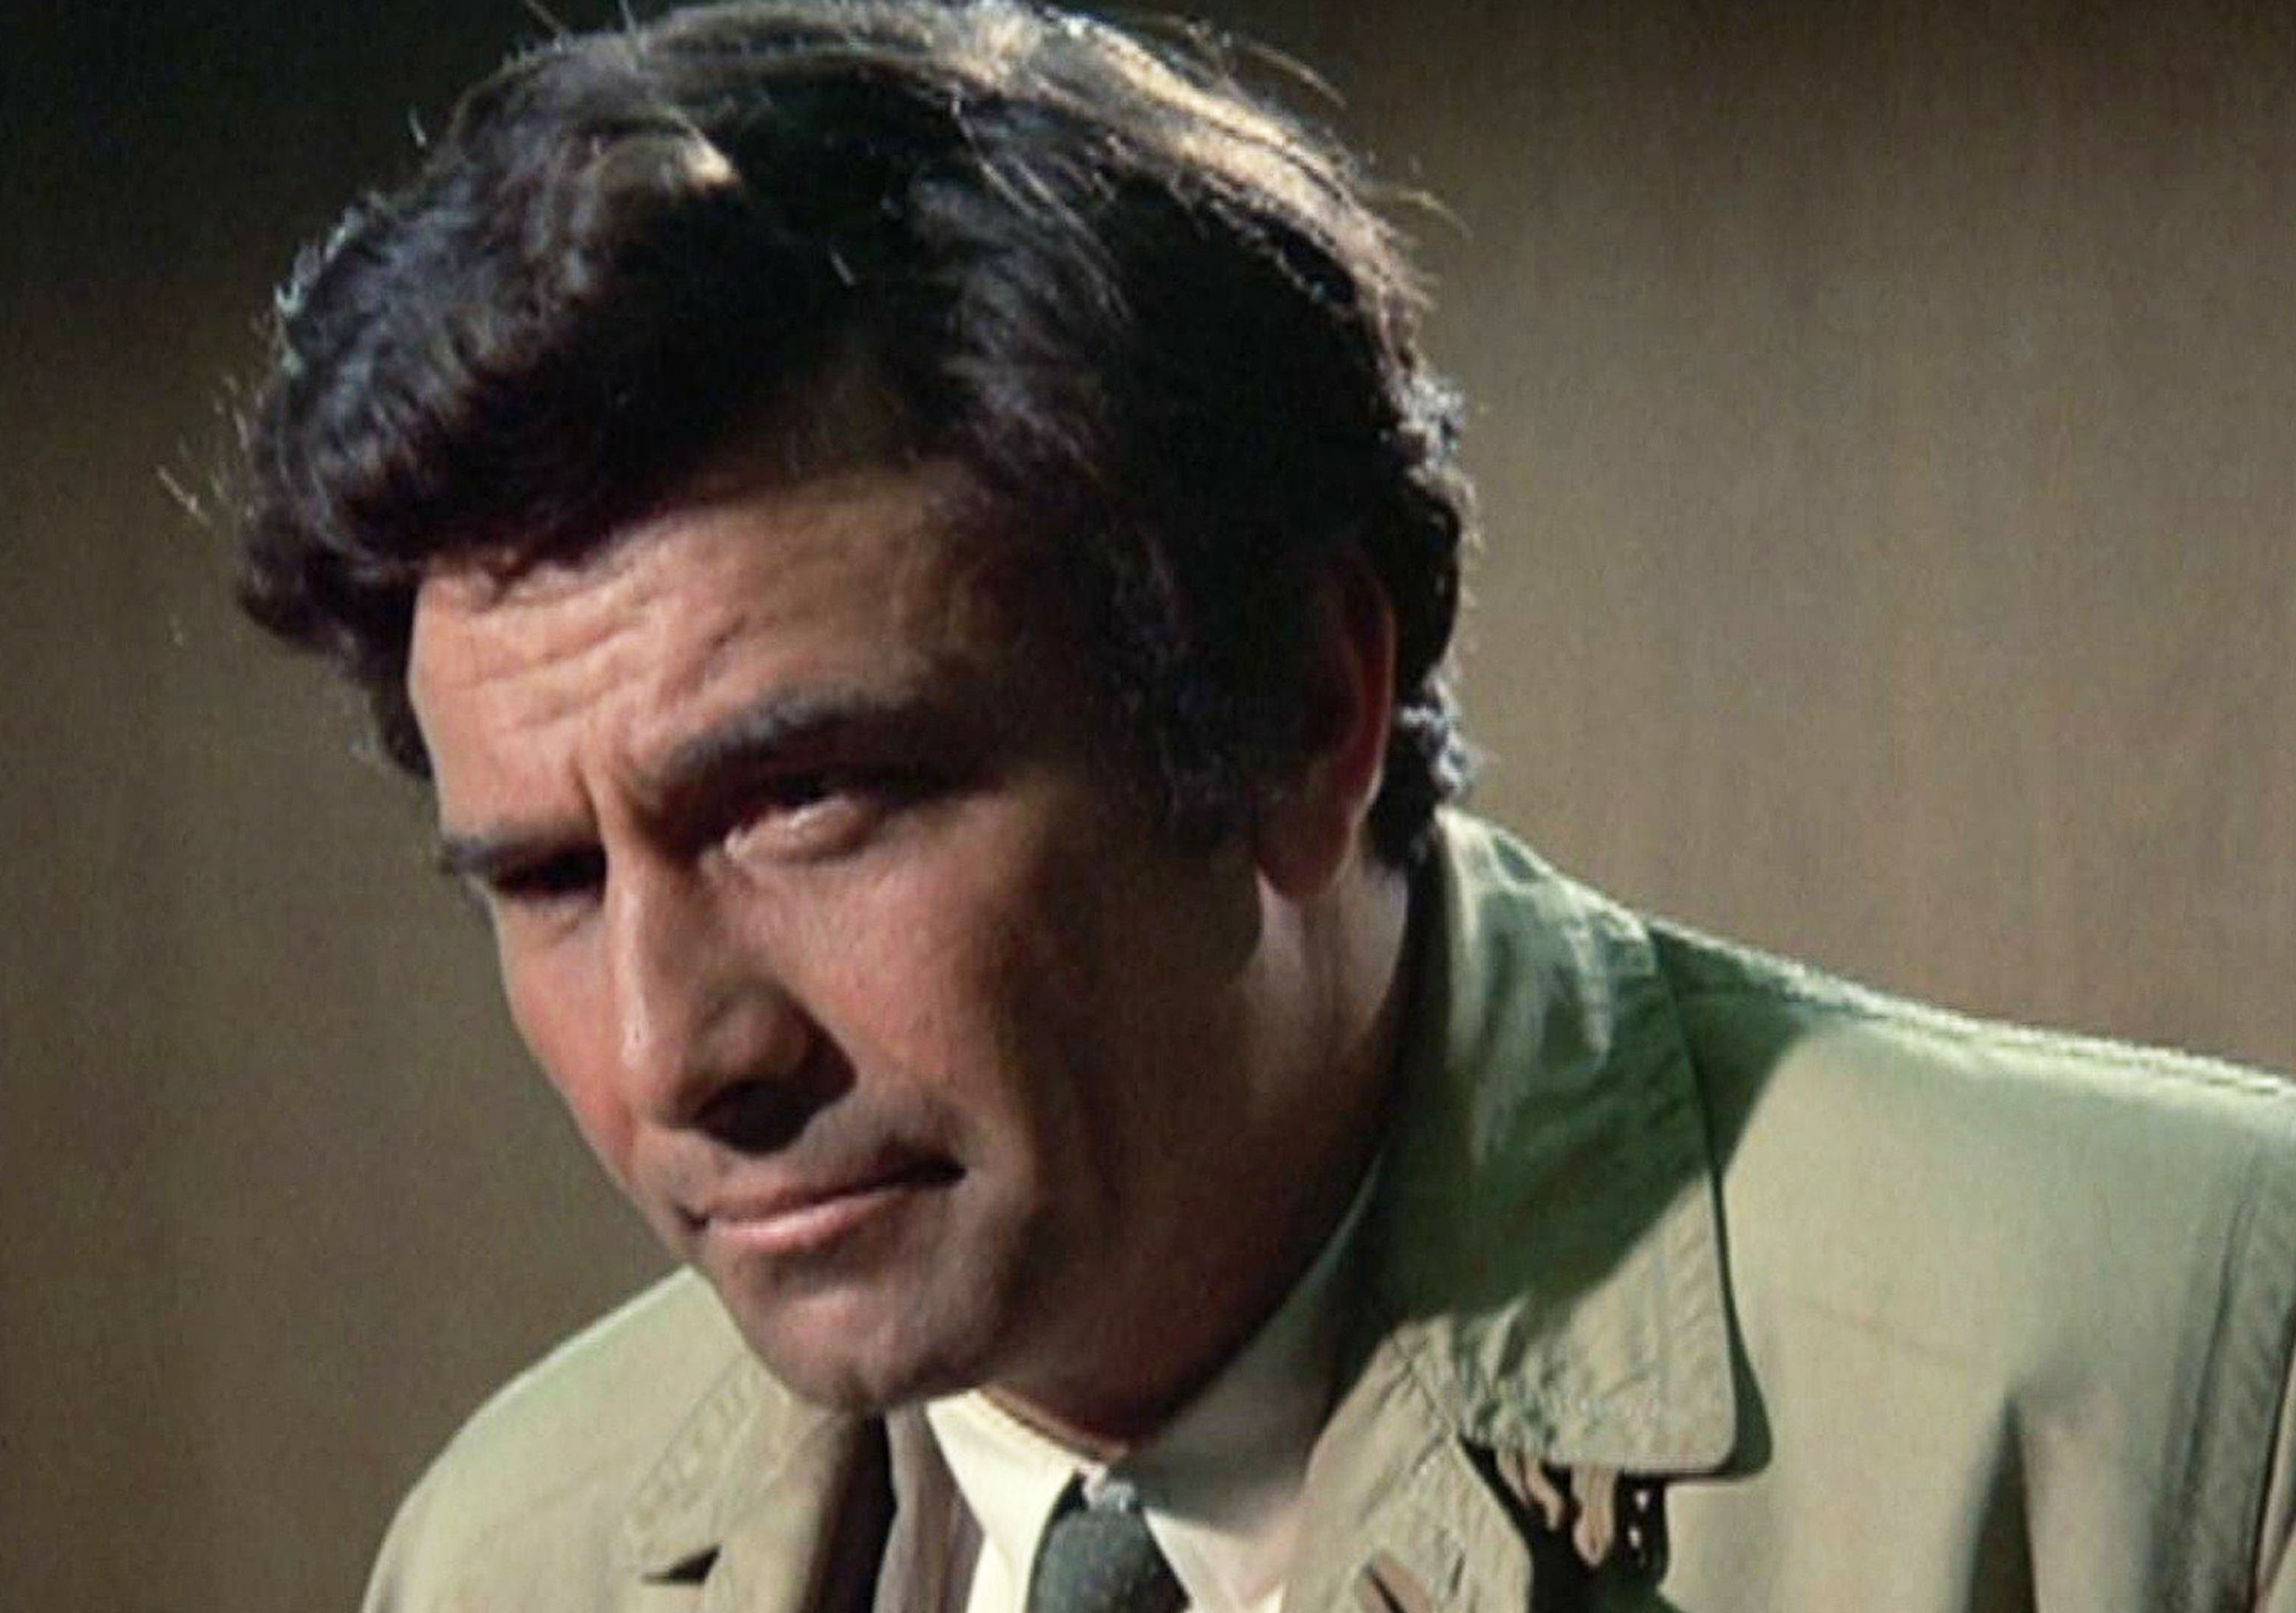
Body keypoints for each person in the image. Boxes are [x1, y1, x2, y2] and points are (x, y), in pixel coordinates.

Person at [235, 3, 2296, 1607]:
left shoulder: (2184, 1372)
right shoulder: (506, 1560)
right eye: (547, 879)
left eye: (808, 802)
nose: (675, 1055)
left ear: (1305, 713)